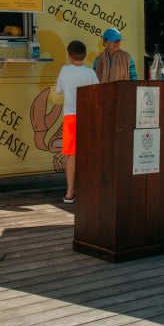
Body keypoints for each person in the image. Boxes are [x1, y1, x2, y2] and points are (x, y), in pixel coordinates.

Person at [55, 40, 99, 204]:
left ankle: (70, 192)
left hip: (70, 117)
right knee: (88, 153)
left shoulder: (65, 70)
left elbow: (58, 90)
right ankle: (89, 189)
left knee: (71, 155)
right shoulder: (90, 73)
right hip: (88, 117)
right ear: (85, 55)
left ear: (69, 55)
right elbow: (98, 92)